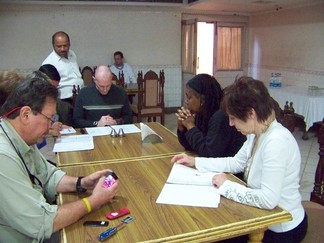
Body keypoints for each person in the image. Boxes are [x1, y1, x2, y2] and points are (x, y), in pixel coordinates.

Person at [171, 77, 307, 243]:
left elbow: (268, 200)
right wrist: (195, 162)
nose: (230, 123)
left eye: (233, 118)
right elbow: (235, 162)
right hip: (260, 218)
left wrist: (226, 186)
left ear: (251, 113)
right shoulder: (257, 132)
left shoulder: (276, 142)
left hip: (280, 228)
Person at [0, 76, 118, 242]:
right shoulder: (3, 156)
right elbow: (42, 222)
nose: (51, 126)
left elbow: (47, 175)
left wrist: (82, 183)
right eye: (49, 118)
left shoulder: (20, 137)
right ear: (25, 114)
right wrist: (94, 201)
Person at [176, 74, 245, 157]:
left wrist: (190, 126)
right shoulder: (203, 112)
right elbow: (192, 147)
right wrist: (182, 128)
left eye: (189, 97)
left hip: (229, 168)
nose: (186, 101)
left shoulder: (221, 117)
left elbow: (209, 153)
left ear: (202, 99)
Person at [42, 31, 84, 103]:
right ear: (53, 45)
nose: (62, 49)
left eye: (65, 45)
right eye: (59, 46)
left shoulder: (72, 54)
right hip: (64, 100)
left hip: (81, 95)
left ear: (69, 44)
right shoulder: (48, 63)